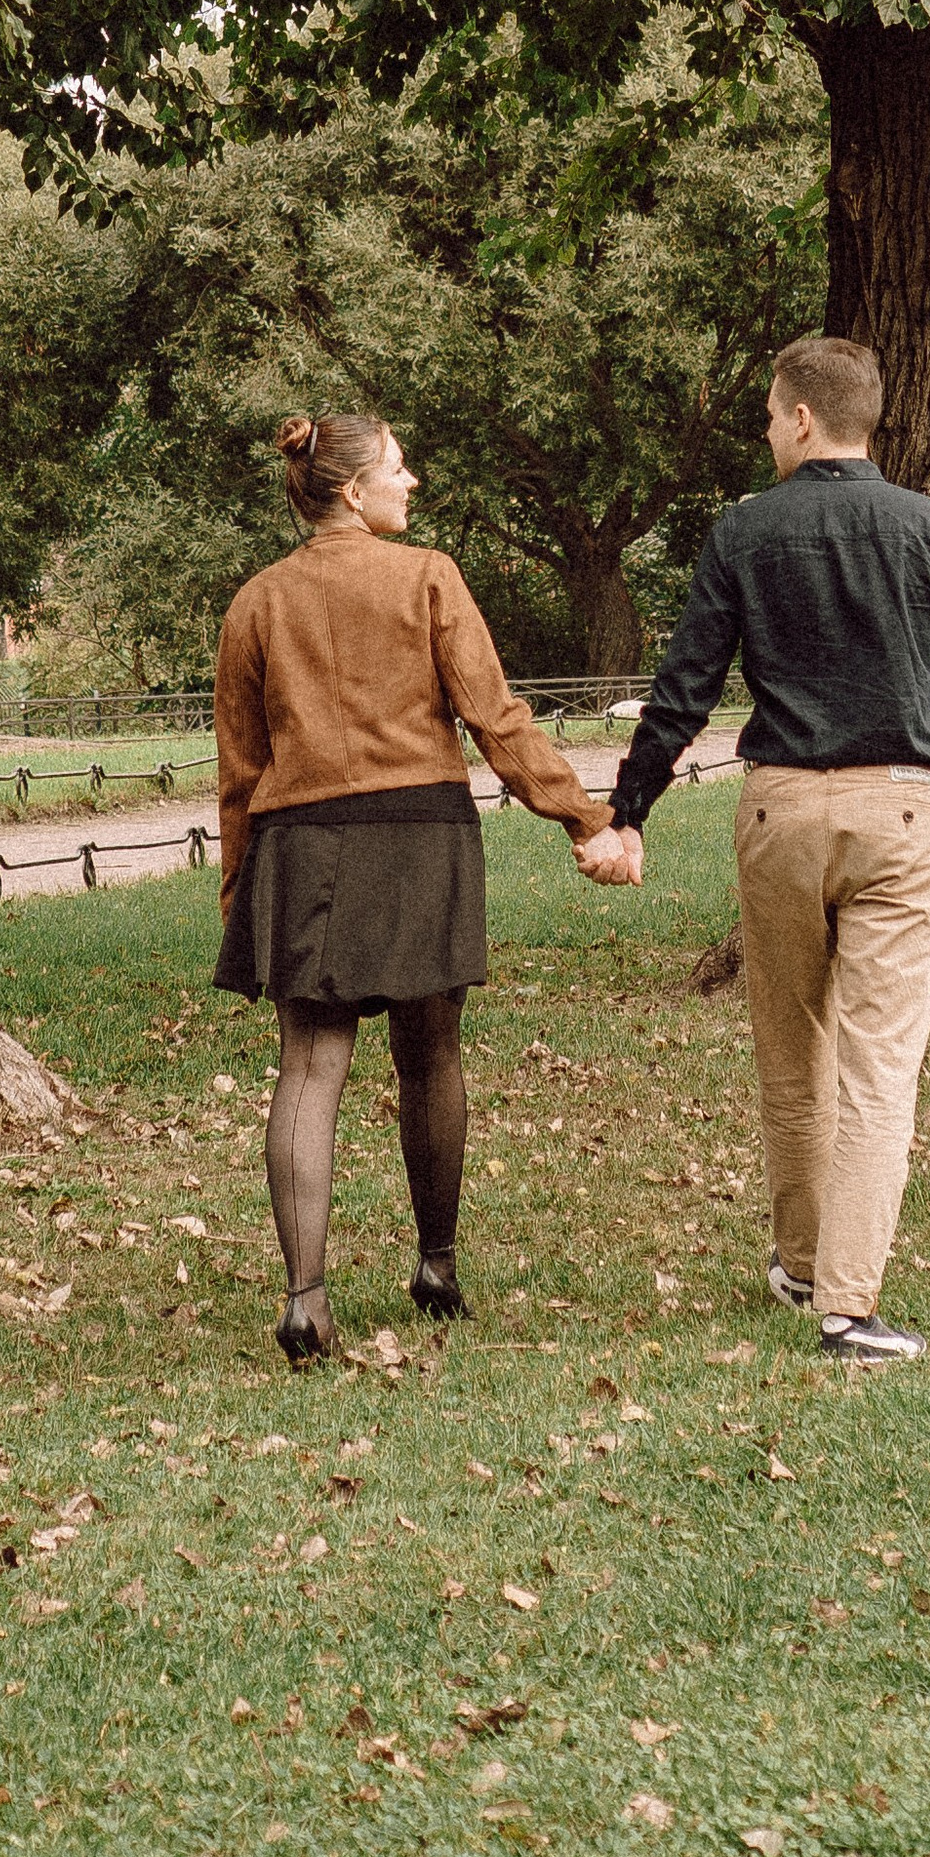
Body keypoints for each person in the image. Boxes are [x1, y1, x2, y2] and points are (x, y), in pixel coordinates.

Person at [599, 334, 930, 1365]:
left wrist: (630, 809)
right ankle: (847, 1305)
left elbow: (685, 685)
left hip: (779, 810)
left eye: (768, 414)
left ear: (797, 419)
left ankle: (800, 1259)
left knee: (791, 1048)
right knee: (879, 1066)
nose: (765, 430)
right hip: (904, 809)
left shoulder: (745, 535)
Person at [214, 410, 635, 1362]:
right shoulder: (429, 577)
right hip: (418, 838)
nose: (414, 484)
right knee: (430, 1056)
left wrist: (240, 884)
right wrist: (584, 817)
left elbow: (240, 769)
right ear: (354, 491)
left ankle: (306, 1300)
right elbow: (496, 717)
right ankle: (437, 1266)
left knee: (311, 1067)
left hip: (301, 843)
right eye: (400, 469)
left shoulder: (256, 602)